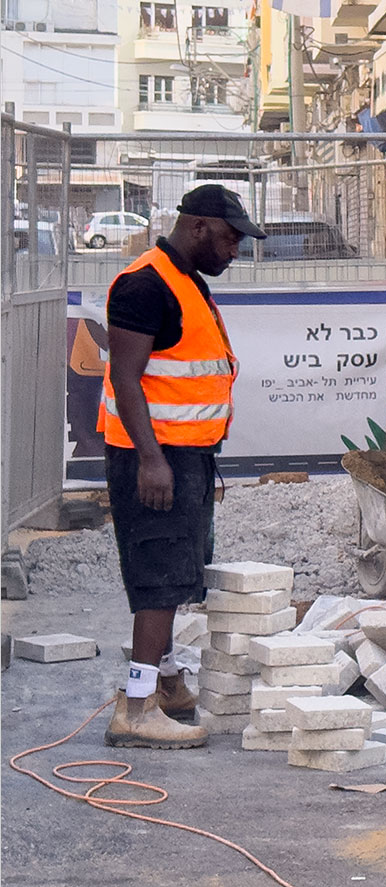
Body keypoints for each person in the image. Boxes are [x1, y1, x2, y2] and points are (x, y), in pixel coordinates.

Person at [98, 184, 266, 750]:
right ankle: (138, 708)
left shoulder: (183, 278)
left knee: (177, 570)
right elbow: (126, 378)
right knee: (158, 575)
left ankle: (165, 684)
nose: (236, 250)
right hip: (153, 457)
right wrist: (151, 461)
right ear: (198, 227)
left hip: (183, 454)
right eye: (230, 238)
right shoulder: (144, 284)